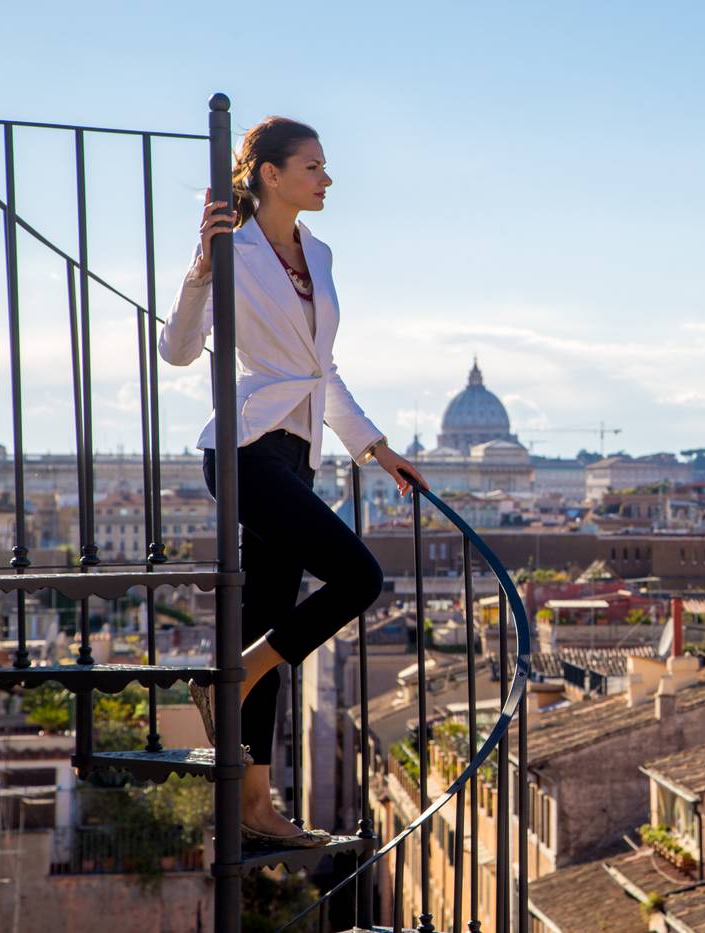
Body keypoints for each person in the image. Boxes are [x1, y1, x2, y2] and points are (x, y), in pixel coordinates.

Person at [160, 116, 427, 848]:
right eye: (313, 166)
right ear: (271, 174)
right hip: (245, 447)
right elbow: (179, 352)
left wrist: (373, 446)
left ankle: (254, 802)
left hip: (298, 449)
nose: (328, 178)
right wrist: (198, 271)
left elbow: (323, 369)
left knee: (269, 624)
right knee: (359, 578)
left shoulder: (321, 252)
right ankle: (230, 676)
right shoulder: (232, 252)